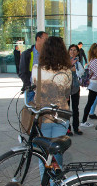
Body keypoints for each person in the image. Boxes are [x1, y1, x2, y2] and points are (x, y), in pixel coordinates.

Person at [31, 36, 72, 175]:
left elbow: (35, 88)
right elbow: (67, 93)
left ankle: (44, 183)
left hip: (43, 115)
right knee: (57, 151)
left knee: (44, 153)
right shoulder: (67, 71)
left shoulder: (37, 69)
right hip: (61, 115)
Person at [19, 31, 48, 102]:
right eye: (46, 39)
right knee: (31, 111)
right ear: (38, 39)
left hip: (45, 90)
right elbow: (22, 72)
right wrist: (29, 85)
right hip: (31, 90)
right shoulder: (27, 54)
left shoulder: (48, 55)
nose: (47, 42)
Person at [66, 44, 84, 136]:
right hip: (66, 88)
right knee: (66, 109)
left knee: (75, 109)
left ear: (77, 52)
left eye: (74, 50)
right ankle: (67, 128)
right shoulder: (64, 61)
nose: (72, 52)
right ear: (68, 51)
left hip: (75, 88)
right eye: (71, 50)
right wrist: (71, 70)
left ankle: (76, 127)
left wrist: (75, 71)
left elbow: (82, 72)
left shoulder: (78, 62)